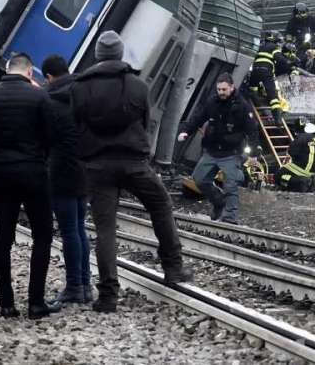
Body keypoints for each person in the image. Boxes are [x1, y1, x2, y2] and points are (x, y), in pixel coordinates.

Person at [71, 31, 191, 313]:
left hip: (98, 165)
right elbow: (146, 121)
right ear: (120, 54)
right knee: (161, 205)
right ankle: (173, 268)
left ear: (99, 56)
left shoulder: (79, 88)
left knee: (105, 229)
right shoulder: (138, 86)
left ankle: (109, 296)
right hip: (134, 162)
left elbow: (76, 125)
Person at [0, 53, 60, 320]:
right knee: (42, 236)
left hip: (2, 172)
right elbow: (52, 136)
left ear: (7, 69)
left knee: (3, 237)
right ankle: (36, 303)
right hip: (34, 171)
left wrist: (0, 145)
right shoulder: (40, 97)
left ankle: (6, 304)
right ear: (29, 72)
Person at [41, 54, 91, 306]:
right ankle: (85, 285)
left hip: (61, 170)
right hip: (84, 167)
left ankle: (74, 286)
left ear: (48, 76)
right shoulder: (83, 93)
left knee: (69, 230)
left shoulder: (50, 101)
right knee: (80, 228)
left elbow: (45, 139)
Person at [179, 73, 258, 224]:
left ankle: (230, 218)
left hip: (231, 152)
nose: (221, 92)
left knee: (231, 183)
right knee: (199, 179)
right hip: (212, 149)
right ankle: (218, 201)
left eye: (224, 89)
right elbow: (198, 117)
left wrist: (254, 153)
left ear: (231, 87)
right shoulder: (212, 102)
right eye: (219, 89)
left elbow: (252, 130)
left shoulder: (242, 106)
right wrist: (186, 131)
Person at [246, 43, 285, 123]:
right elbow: (279, 59)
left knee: (253, 90)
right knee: (272, 95)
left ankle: (257, 103)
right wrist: (288, 63)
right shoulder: (275, 47)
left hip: (255, 70)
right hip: (266, 71)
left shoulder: (259, 47)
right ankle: (277, 119)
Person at [279, 122, 315, 191]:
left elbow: (292, 151)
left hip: (299, 168)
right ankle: (309, 182)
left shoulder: (302, 137)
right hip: (312, 171)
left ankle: (300, 183)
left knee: (279, 175)